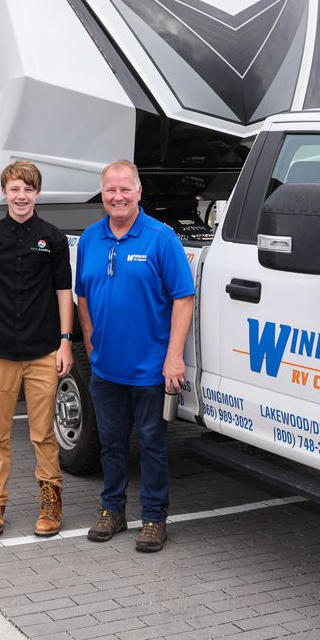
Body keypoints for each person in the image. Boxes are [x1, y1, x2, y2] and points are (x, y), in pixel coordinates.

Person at [75, 159, 195, 553]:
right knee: (110, 444)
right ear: (102, 194)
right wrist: (91, 346)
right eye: (110, 190)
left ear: (139, 192)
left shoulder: (161, 238)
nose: (118, 196)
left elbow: (183, 299)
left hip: (150, 370)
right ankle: (112, 510)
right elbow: (83, 297)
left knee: (151, 445)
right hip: (106, 369)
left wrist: (174, 357)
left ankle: (154, 518)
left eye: (125, 189)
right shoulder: (90, 239)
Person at [0, 160, 74, 538]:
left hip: (43, 353)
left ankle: (51, 503)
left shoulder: (52, 238)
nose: (21, 196)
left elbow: (64, 293)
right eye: (14, 189)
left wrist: (65, 342)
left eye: (28, 189)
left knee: (43, 435)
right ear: (4, 192)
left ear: (37, 193)